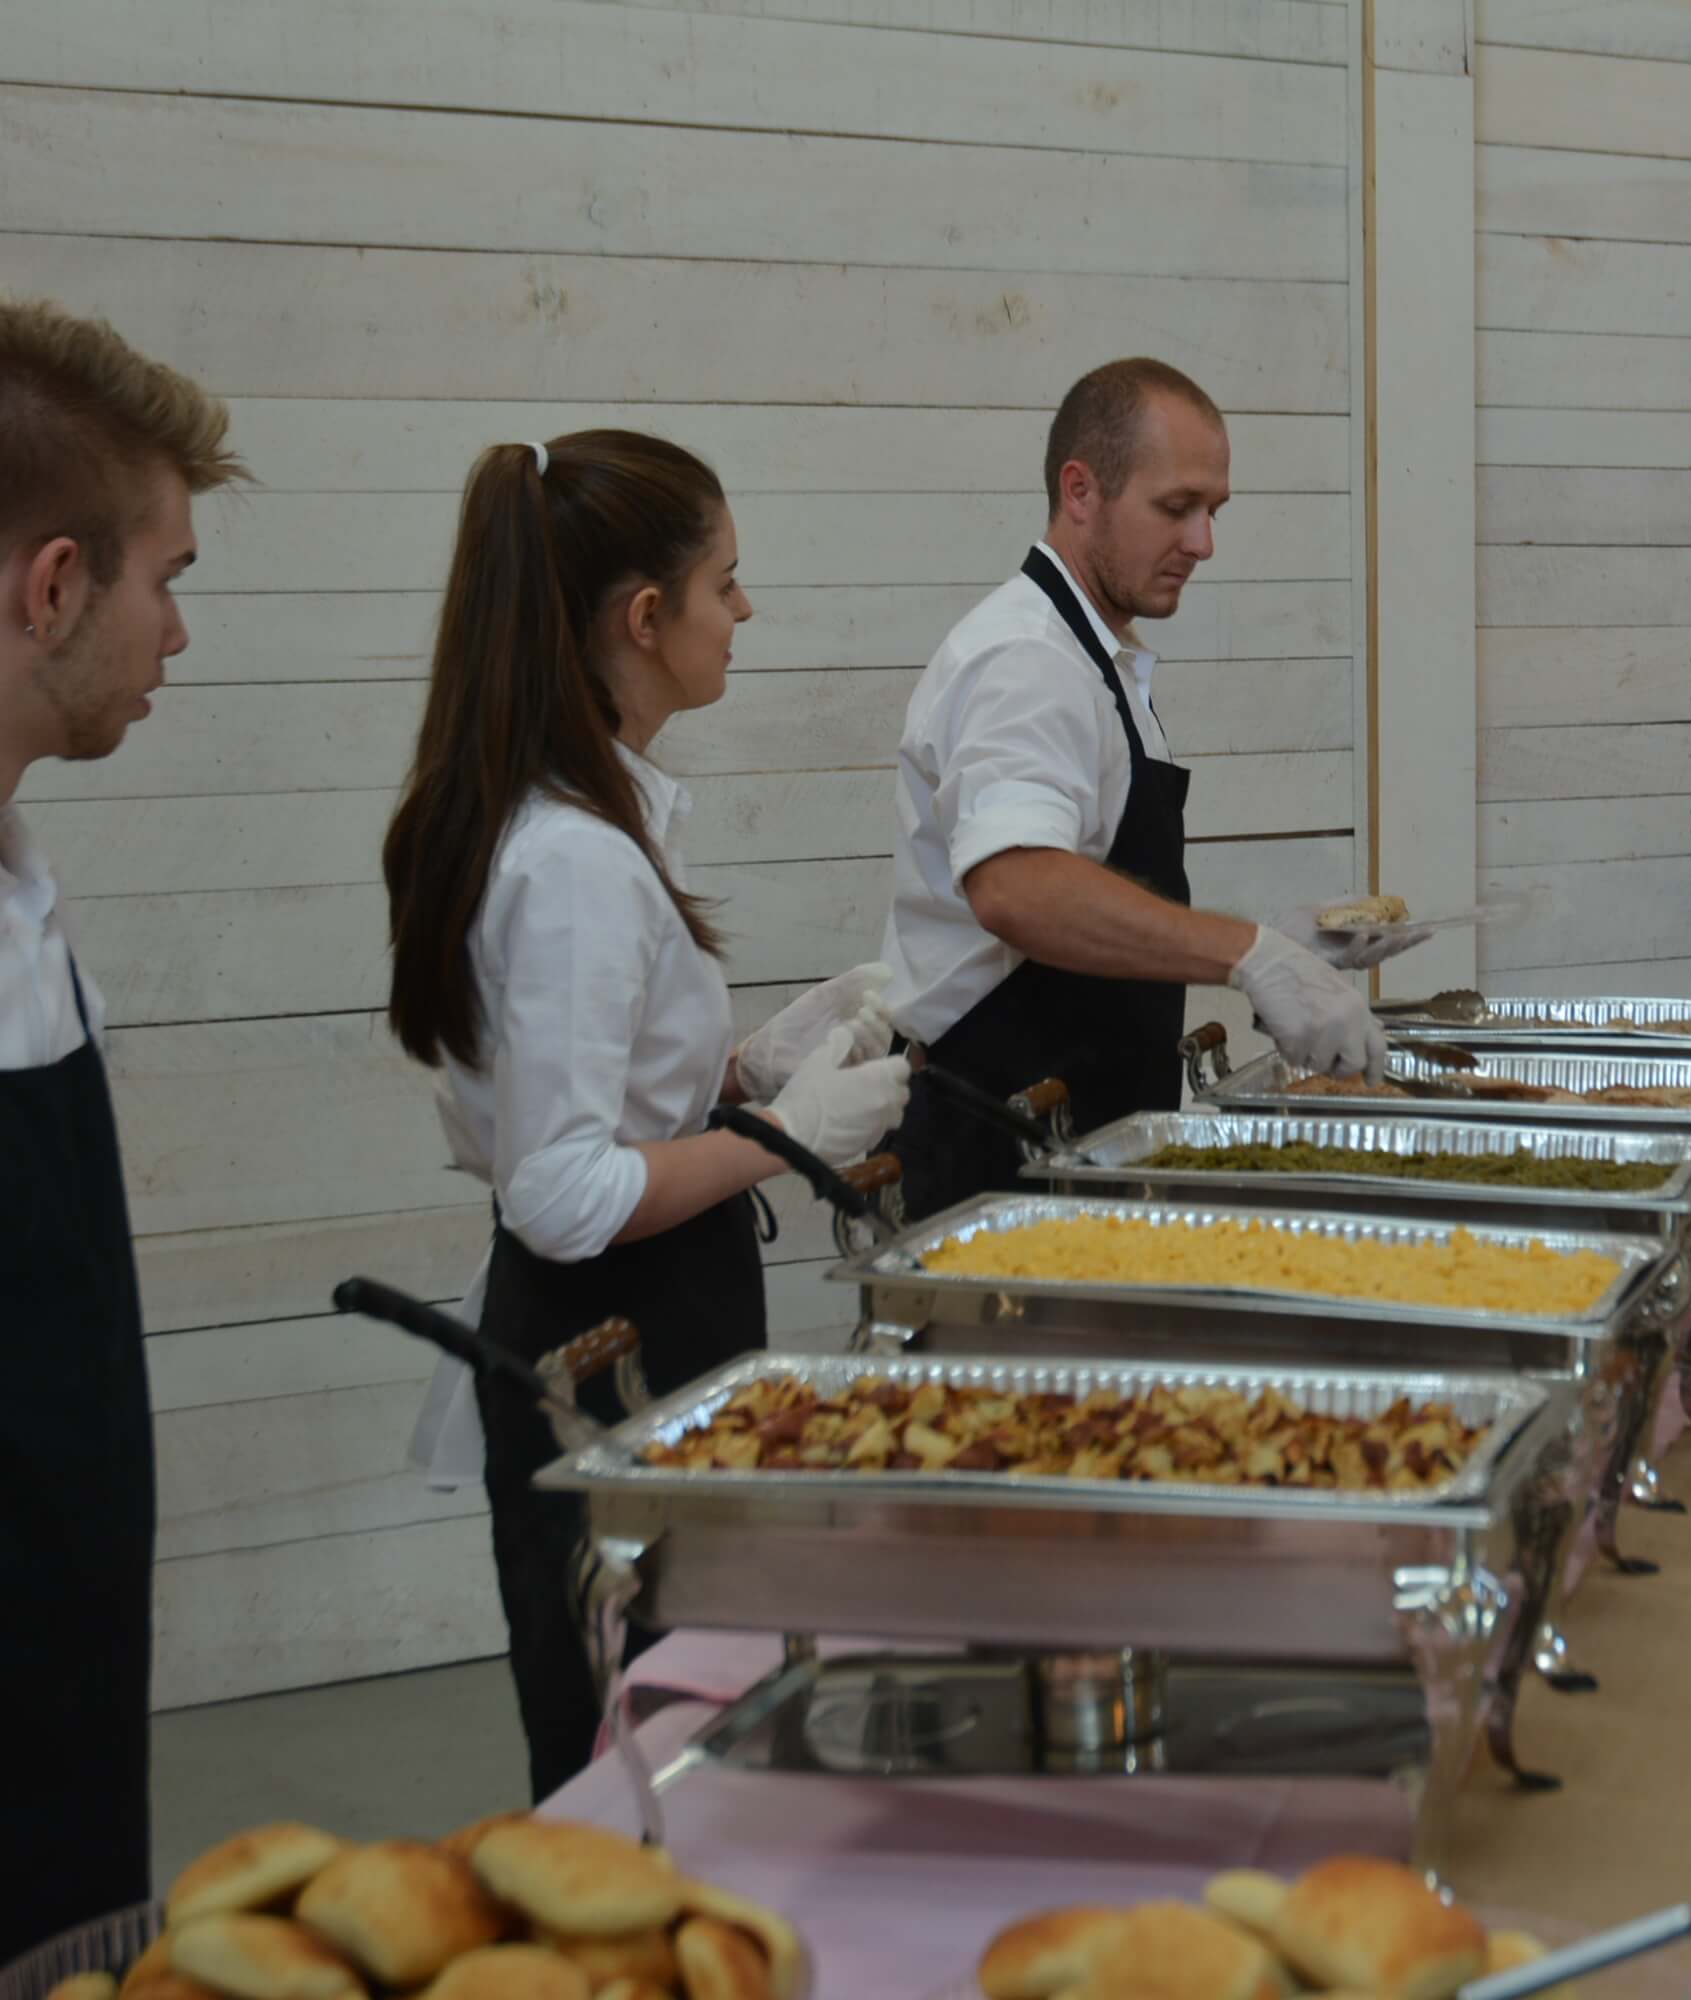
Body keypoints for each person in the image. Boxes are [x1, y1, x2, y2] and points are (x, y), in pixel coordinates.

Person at [381, 431, 910, 1799]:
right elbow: (557, 1191)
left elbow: (601, 1088)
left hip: (659, 1327)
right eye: (727, 585)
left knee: (681, 1740)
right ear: (643, 616)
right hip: (607, 1342)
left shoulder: (600, 818)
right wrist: (787, 1136)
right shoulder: (569, 859)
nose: (744, 614)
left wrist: (751, 1064)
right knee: (629, 1772)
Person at [880, 358, 1400, 1219]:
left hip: (1083, 1136)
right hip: (1001, 1152)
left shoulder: (1096, 659)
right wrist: (1247, 955)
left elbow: (1094, 879)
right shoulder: (1027, 663)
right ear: (1080, 490)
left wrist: (1281, 944)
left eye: (1214, 511)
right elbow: (1019, 886)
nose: (1203, 543)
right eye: (1176, 508)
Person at [0, 297, 242, 1963]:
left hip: (60, 1736)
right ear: (56, 585)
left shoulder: (25, 893)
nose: (174, 636)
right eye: (164, 581)